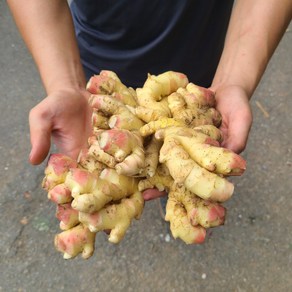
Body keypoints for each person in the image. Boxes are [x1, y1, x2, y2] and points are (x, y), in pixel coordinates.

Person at [7, 0, 292, 200]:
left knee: (174, 160)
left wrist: (232, 79)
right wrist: (66, 83)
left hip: (204, 73)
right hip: (99, 75)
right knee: (136, 170)